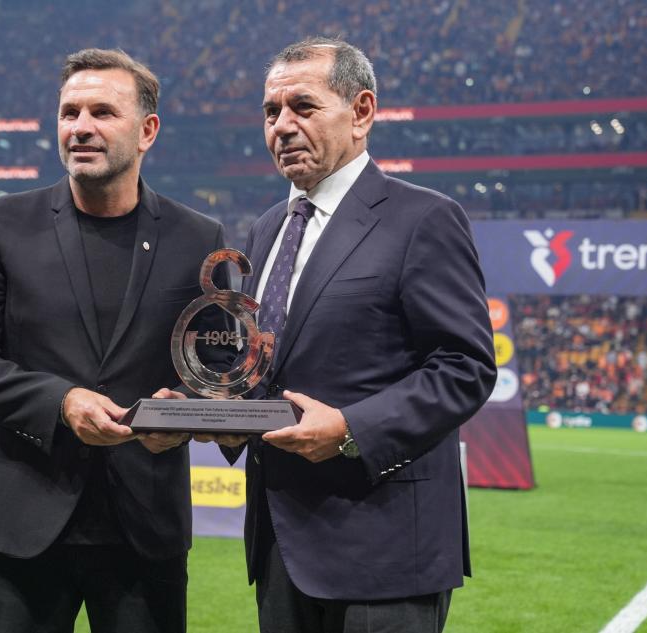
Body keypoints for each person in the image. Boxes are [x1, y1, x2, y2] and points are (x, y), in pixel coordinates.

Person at [0, 48, 229, 633]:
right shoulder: (0, 224)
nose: (81, 127)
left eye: (102, 112)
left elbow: (219, 367)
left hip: (145, 525)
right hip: (22, 521)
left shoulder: (199, 237)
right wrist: (62, 402)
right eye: (70, 113)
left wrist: (186, 411)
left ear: (147, 131)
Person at [210, 37, 497, 632]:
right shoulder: (267, 229)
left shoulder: (423, 218)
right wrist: (212, 409)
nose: (282, 126)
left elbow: (465, 366)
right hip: (280, 545)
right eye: (271, 112)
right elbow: (266, 363)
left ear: (361, 112)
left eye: (303, 107)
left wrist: (349, 431)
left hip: (385, 548)